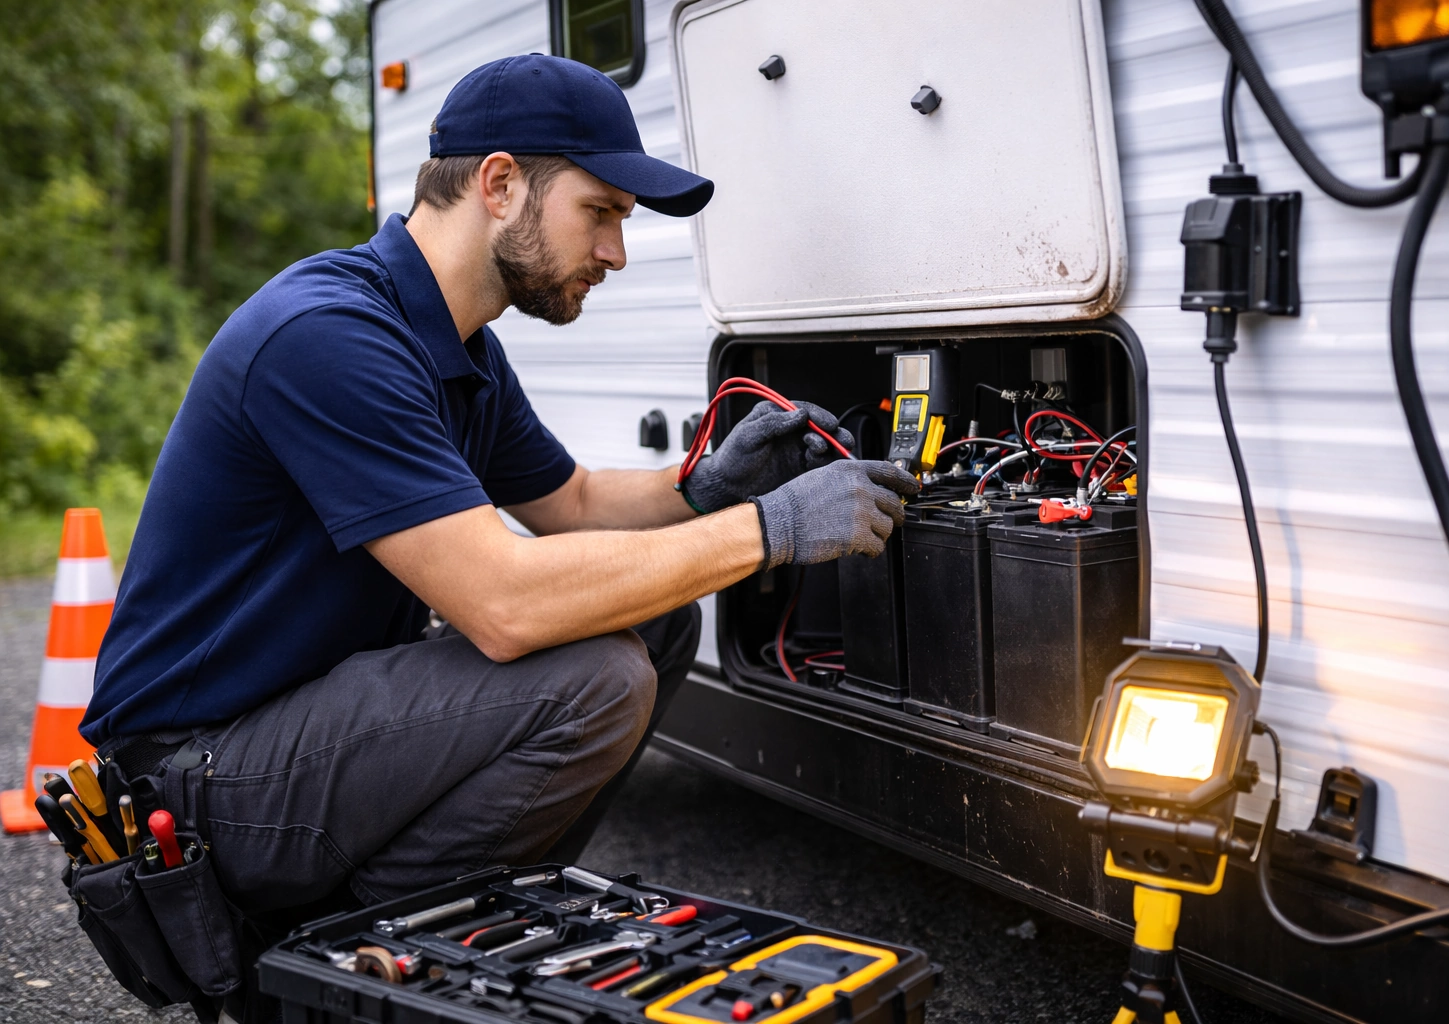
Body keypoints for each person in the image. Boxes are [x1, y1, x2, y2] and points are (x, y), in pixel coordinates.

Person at [81, 54, 914, 942]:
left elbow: (577, 501)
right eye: (600, 213)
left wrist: (706, 487)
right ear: (501, 183)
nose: (616, 254)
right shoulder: (328, 336)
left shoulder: (461, 346)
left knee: (657, 617)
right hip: (194, 778)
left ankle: (473, 923)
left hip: (296, 723)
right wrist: (774, 526)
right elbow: (506, 605)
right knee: (594, 677)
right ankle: (327, 961)